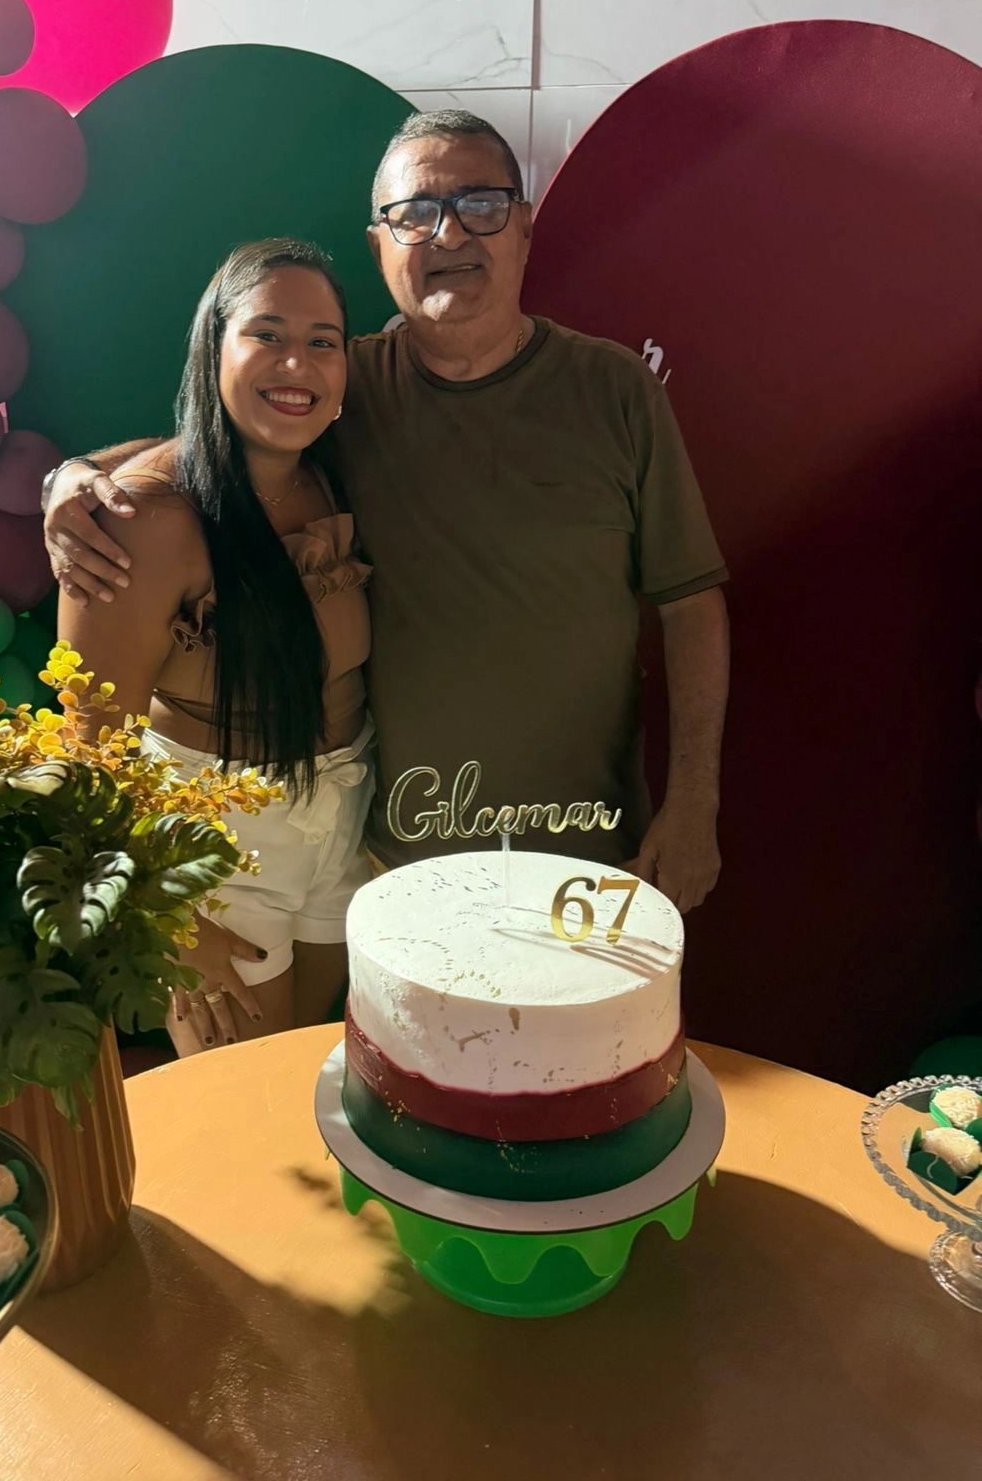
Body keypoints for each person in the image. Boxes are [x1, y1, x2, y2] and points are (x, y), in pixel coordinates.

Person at [45, 110, 730, 1017]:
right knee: (372, 1079)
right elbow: (214, 445)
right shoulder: (341, 385)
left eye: (480, 205)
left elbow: (691, 605)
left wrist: (694, 803)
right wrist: (76, 476)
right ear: (380, 249)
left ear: (525, 229)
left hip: (590, 848)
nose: (448, 235)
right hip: (395, 855)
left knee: (581, 1079)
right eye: (416, 213)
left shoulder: (615, 391)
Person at [57, 237, 374, 1053]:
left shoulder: (335, 473)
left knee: (310, 1067)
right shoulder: (138, 523)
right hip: (216, 846)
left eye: (322, 341)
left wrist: (70, 469)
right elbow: (89, 757)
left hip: (346, 818)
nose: (296, 364)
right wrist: (168, 912)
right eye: (266, 334)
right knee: (243, 1097)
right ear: (213, 347)